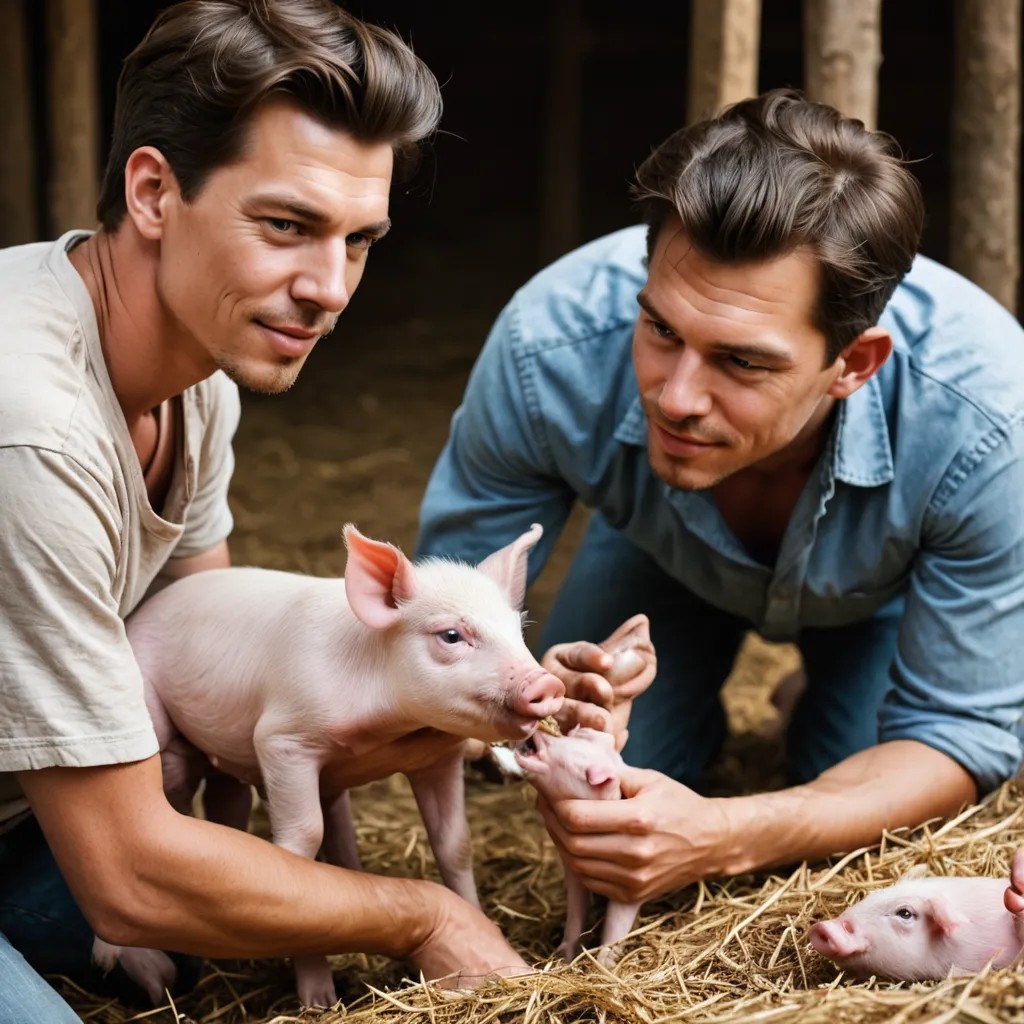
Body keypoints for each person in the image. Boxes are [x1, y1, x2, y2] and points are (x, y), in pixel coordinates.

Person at [0, 2, 533, 1020]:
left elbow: (215, 651)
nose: (329, 289)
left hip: (41, 807)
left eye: (358, 241)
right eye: (285, 226)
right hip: (73, 827)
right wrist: (423, 913)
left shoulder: (198, 376)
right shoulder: (30, 426)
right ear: (153, 191)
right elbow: (129, 870)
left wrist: (460, 707)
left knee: (216, 929)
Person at [415, 88, 1024, 910]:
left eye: (742, 362)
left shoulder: (988, 418)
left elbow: (960, 732)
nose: (675, 399)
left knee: (854, 781)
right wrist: (534, 704)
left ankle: (816, 697)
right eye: (661, 329)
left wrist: (726, 835)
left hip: (887, 595)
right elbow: (435, 612)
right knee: (612, 782)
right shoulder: (547, 346)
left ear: (856, 362)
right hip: (659, 556)